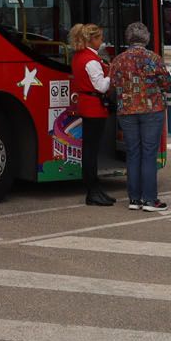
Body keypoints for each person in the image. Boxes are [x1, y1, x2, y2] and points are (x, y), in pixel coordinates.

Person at [108, 21, 170, 212]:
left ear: (128, 38)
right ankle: (150, 199)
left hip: (126, 110)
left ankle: (134, 199)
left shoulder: (118, 60)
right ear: (146, 38)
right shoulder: (154, 58)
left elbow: (112, 84)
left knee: (133, 153)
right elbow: (166, 83)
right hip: (152, 110)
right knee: (149, 154)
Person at [70, 23, 114, 206]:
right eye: (100, 38)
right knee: (91, 151)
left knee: (89, 149)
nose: (101, 41)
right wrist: (111, 73)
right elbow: (101, 86)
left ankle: (94, 189)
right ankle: (93, 190)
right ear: (92, 39)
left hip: (86, 105)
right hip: (94, 107)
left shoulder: (79, 57)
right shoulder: (91, 61)